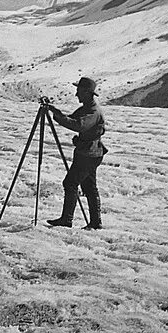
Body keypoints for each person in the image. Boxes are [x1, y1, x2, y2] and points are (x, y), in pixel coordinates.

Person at [46, 77, 107, 230]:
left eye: (79, 91)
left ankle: (67, 219)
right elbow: (71, 119)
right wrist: (54, 110)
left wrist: (57, 115)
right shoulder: (87, 108)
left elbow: (78, 125)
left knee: (70, 183)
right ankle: (95, 222)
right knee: (89, 187)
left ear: (87, 92)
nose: (76, 95)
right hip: (89, 153)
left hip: (89, 155)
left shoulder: (93, 111)